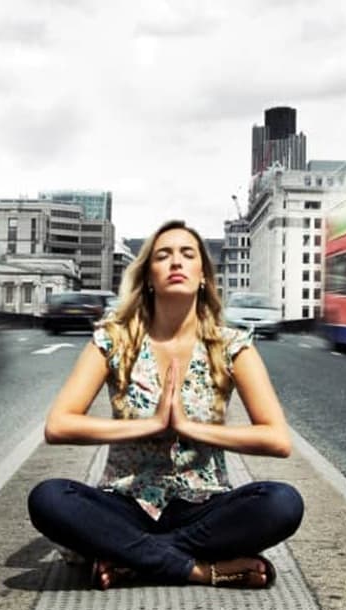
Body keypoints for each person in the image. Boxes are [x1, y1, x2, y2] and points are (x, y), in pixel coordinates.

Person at [28, 220, 303, 590]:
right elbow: (59, 425)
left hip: (203, 509)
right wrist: (152, 424)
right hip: (127, 505)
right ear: (149, 277)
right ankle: (199, 570)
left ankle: (133, 560)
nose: (176, 262)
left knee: (282, 502)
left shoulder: (232, 345)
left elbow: (277, 439)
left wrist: (190, 427)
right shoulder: (113, 340)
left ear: (203, 275)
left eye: (187, 255)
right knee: (49, 499)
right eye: (164, 255)